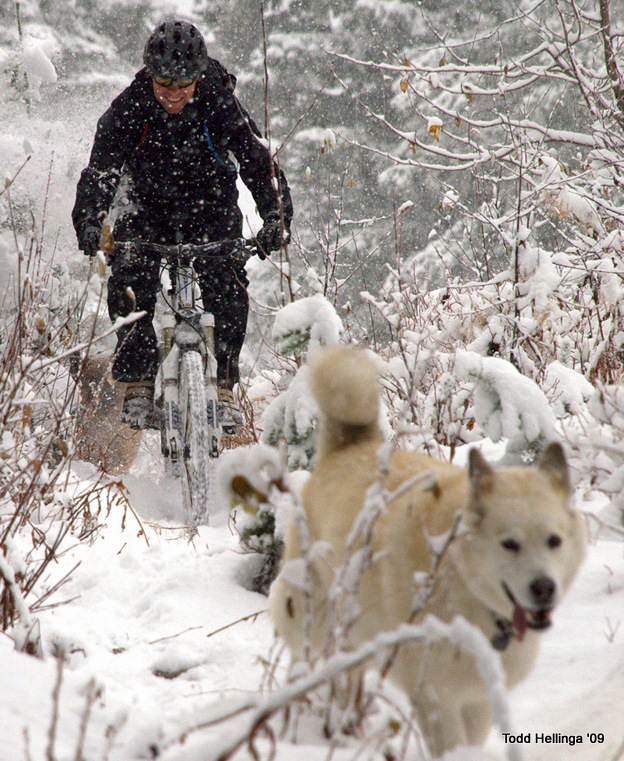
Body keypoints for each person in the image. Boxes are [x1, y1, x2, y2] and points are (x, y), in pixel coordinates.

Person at [72, 19, 293, 432]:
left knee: (226, 281)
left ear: (198, 77)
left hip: (209, 205)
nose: (173, 94)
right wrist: (89, 220)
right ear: (151, 75)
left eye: (183, 84)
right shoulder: (130, 107)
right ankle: (138, 381)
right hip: (144, 207)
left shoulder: (219, 100)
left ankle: (224, 386)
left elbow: (257, 162)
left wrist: (276, 215)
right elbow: (101, 172)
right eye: (164, 83)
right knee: (130, 276)